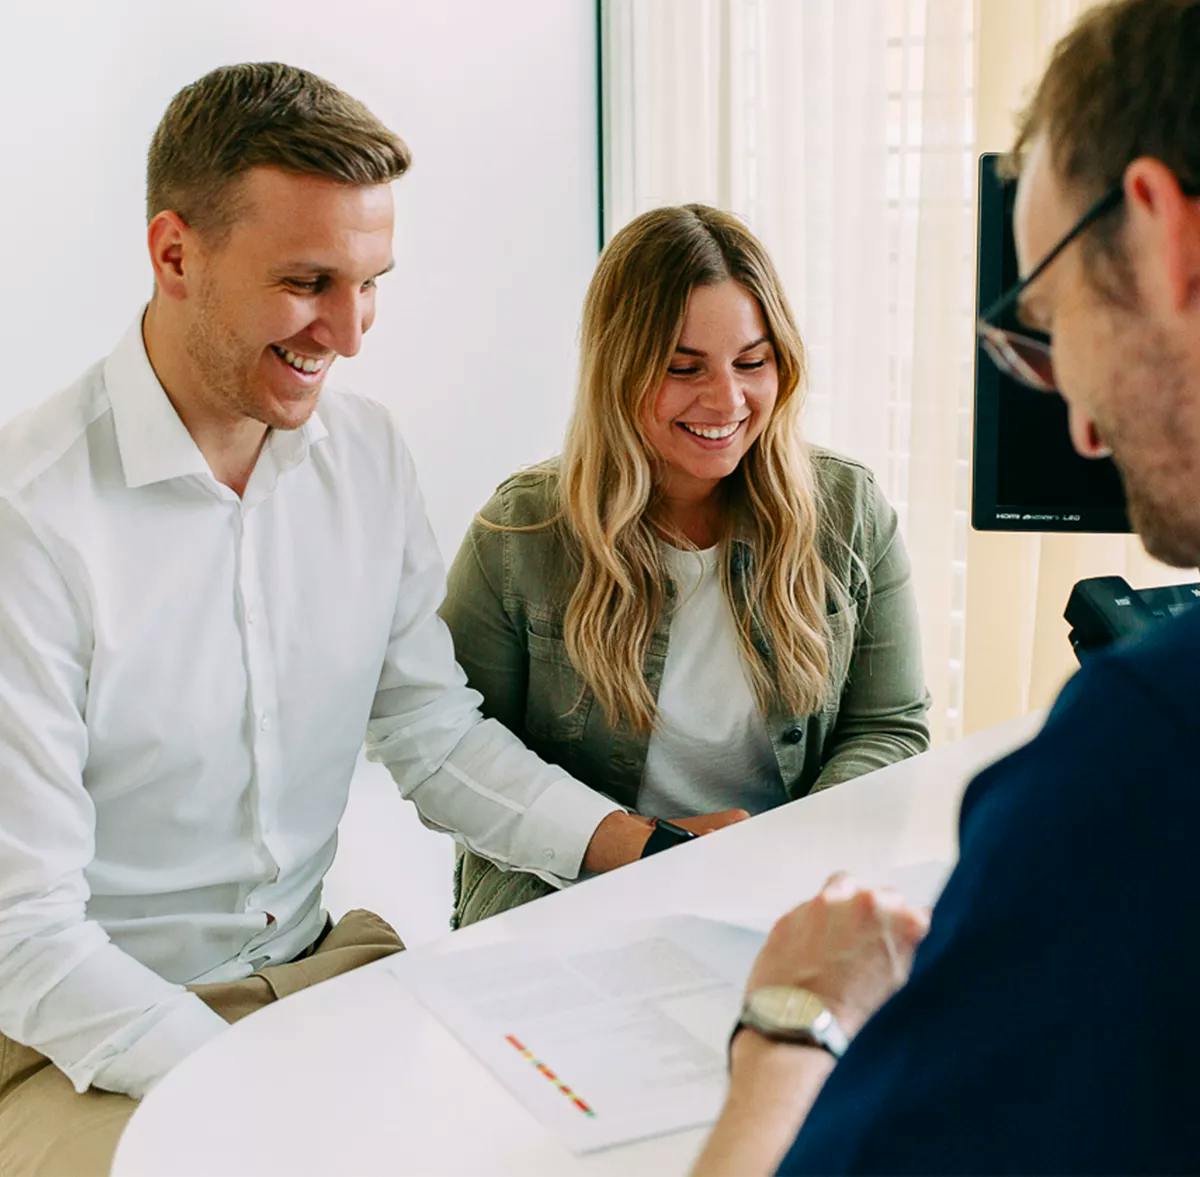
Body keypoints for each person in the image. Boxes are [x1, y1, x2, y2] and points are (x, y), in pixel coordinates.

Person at [0, 63, 684, 1177]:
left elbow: (433, 734)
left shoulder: (364, 459)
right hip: (69, 1038)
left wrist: (640, 848)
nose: (352, 332)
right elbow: (22, 934)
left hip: (320, 972)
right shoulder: (28, 519)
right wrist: (249, 1080)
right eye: (309, 282)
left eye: (371, 283)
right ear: (175, 253)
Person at [692, 2, 1200, 1173]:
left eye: (1049, 325)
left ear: (1163, 233)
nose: (1075, 423)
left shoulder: (1145, 757)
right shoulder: (523, 525)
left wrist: (791, 1019)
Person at [442, 204, 931, 928]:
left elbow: (890, 729)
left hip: (782, 894)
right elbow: (459, 756)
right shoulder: (519, 533)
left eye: (752, 361)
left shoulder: (849, 510)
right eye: (683, 367)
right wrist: (650, 852)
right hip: (569, 897)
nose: (727, 400)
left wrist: (784, 859)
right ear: (618, 368)